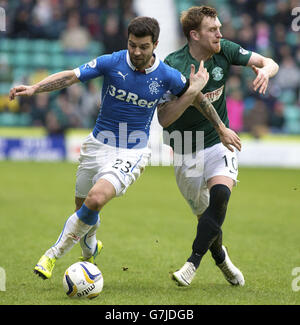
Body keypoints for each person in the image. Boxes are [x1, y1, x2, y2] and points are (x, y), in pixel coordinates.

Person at [9, 16, 215, 280]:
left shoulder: (167, 76)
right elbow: (72, 76)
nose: (137, 52)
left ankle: (51, 255)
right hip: (96, 146)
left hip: (132, 152)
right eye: (132, 45)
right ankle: (91, 246)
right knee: (83, 209)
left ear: (155, 45)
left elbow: (197, 100)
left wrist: (221, 129)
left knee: (96, 199)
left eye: (143, 47)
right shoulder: (112, 62)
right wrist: (35, 87)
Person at [157, 6, 279, 287]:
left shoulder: (224, 50)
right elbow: (164, 119)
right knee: (207, 219)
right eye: (213, 30)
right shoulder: (173, 65)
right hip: (184, 146)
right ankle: (221, 258)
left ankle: (191, 263)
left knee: (221, 195)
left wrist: (266, 72)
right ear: (194, 35)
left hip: (218, 140)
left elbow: (268, 61)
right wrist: (191, 91)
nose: (220, 34)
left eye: (219, 28)